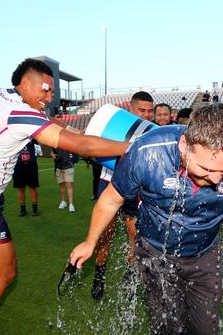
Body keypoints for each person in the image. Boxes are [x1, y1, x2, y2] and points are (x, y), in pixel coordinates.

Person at [0, 58, 128, 335]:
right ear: (24, 83)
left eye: (51, 90)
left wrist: (73, 129)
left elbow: (48, 122)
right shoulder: (23, 114)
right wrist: (130, 147)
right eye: (44, 89)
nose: (49, 96)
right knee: (5, 274)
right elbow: (82, 147)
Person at [70, 104, 223, 334]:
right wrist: (90, 242)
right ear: (184, 146)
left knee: (205, 330)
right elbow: (111, 199)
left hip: (206, 254)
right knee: (167, 329)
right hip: (154, 253)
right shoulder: (148, 150)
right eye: (206, 168)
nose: (216, 179)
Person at [91, 91, 154, 300]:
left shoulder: (152, 134)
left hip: (134, 189)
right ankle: (99, 276)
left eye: (149, 111)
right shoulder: (118, 126)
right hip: (108, 183)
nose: (146, 115)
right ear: (131, 110)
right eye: (141, 110)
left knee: (134, 235)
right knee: (104, 235)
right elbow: (92, 150)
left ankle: (130, 277)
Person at [12, 139, 41, 216]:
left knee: (32, 187)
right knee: (20, 188)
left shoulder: (34, 140)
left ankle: (35, 209)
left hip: (31, 165)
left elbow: (40, 153)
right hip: (19, 165)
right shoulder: (16, 139)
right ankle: (22, 210)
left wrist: (37, 150)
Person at [51, 147, 77, 213]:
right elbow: (52, 151)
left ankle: (71, 204)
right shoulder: (55, 143)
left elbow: (76, 153)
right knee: (61, 186)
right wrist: (53, 155)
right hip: (58, 167)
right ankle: (63, 201)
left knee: (69, 186)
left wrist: (72, 161)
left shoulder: (69, 142)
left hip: (68, 167)